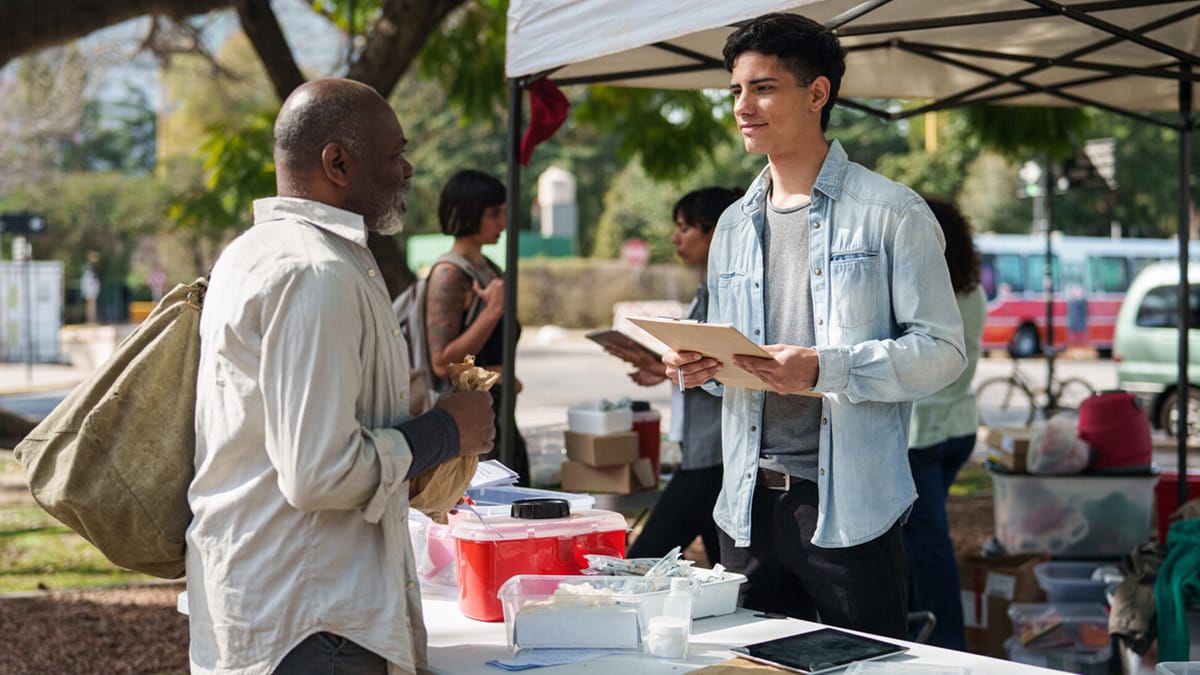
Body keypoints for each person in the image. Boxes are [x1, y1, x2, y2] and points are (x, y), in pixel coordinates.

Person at [664, 13, 967, 639]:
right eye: (737, 91)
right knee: (751, 665)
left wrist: (827, 368)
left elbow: (942, 351)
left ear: (817, 93)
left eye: (764, 88)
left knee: (861, 663)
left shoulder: (891, 212)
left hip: (849, 509)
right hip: (743, 506)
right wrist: (703, 367)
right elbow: (739, 360)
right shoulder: (731, 226)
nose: (744, 106)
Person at [188, 78, 495, 674]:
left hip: (296, 607)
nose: (407, 170)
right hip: (310, 620)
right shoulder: (312, 272)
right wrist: (445, 432)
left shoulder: (270, 254)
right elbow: (317, 472)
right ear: (338, 162)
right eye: (394, 154)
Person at [613, 187, 742, 567]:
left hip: (712, 456)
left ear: (715, 231)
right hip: (703, 452)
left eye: (685, 228)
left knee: (644, 559)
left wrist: (659, 366)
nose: (675, 238)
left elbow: (721, 367)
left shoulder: (728, 290)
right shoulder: (709, 287)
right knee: (727, 571)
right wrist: (658, 364)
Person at [903, 197, 987, 650]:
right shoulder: (974, 290)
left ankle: (948, 645)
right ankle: (922, 632)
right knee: (919, 539)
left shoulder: (922, 291)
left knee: (928, 543)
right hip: (960, 427)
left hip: (923, 434)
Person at [425, 169, 530, 485]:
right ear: (469, 212)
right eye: (494, 213)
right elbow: (442, 361)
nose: (503, 223)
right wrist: (492, 312)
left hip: (497, 416)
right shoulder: (449, 274)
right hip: (468, 428)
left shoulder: (489, 269)